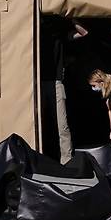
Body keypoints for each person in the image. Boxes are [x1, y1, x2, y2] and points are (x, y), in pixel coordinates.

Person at [40, 17, 88, 164]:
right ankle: (41, 157)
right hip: (37, 82)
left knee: (62, 124)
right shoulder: (35, 29)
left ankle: (66, 160)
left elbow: (84, 32)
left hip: (56, 82)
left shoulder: (59, 32)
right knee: (39, 123)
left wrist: (72, 18)